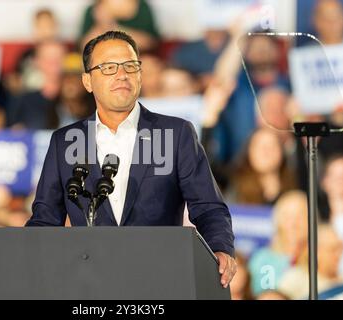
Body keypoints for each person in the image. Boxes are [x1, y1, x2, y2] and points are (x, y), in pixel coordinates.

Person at [26, 31, 236, 288]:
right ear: (87, 81)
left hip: (160, 282)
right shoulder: (65, 141)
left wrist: (220, 248)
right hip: (89, 286)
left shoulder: (175, 134)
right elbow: (45, 218)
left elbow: (209, 207)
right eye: (109, 67)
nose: (122, 74)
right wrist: (25, 261)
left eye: (130, 66)